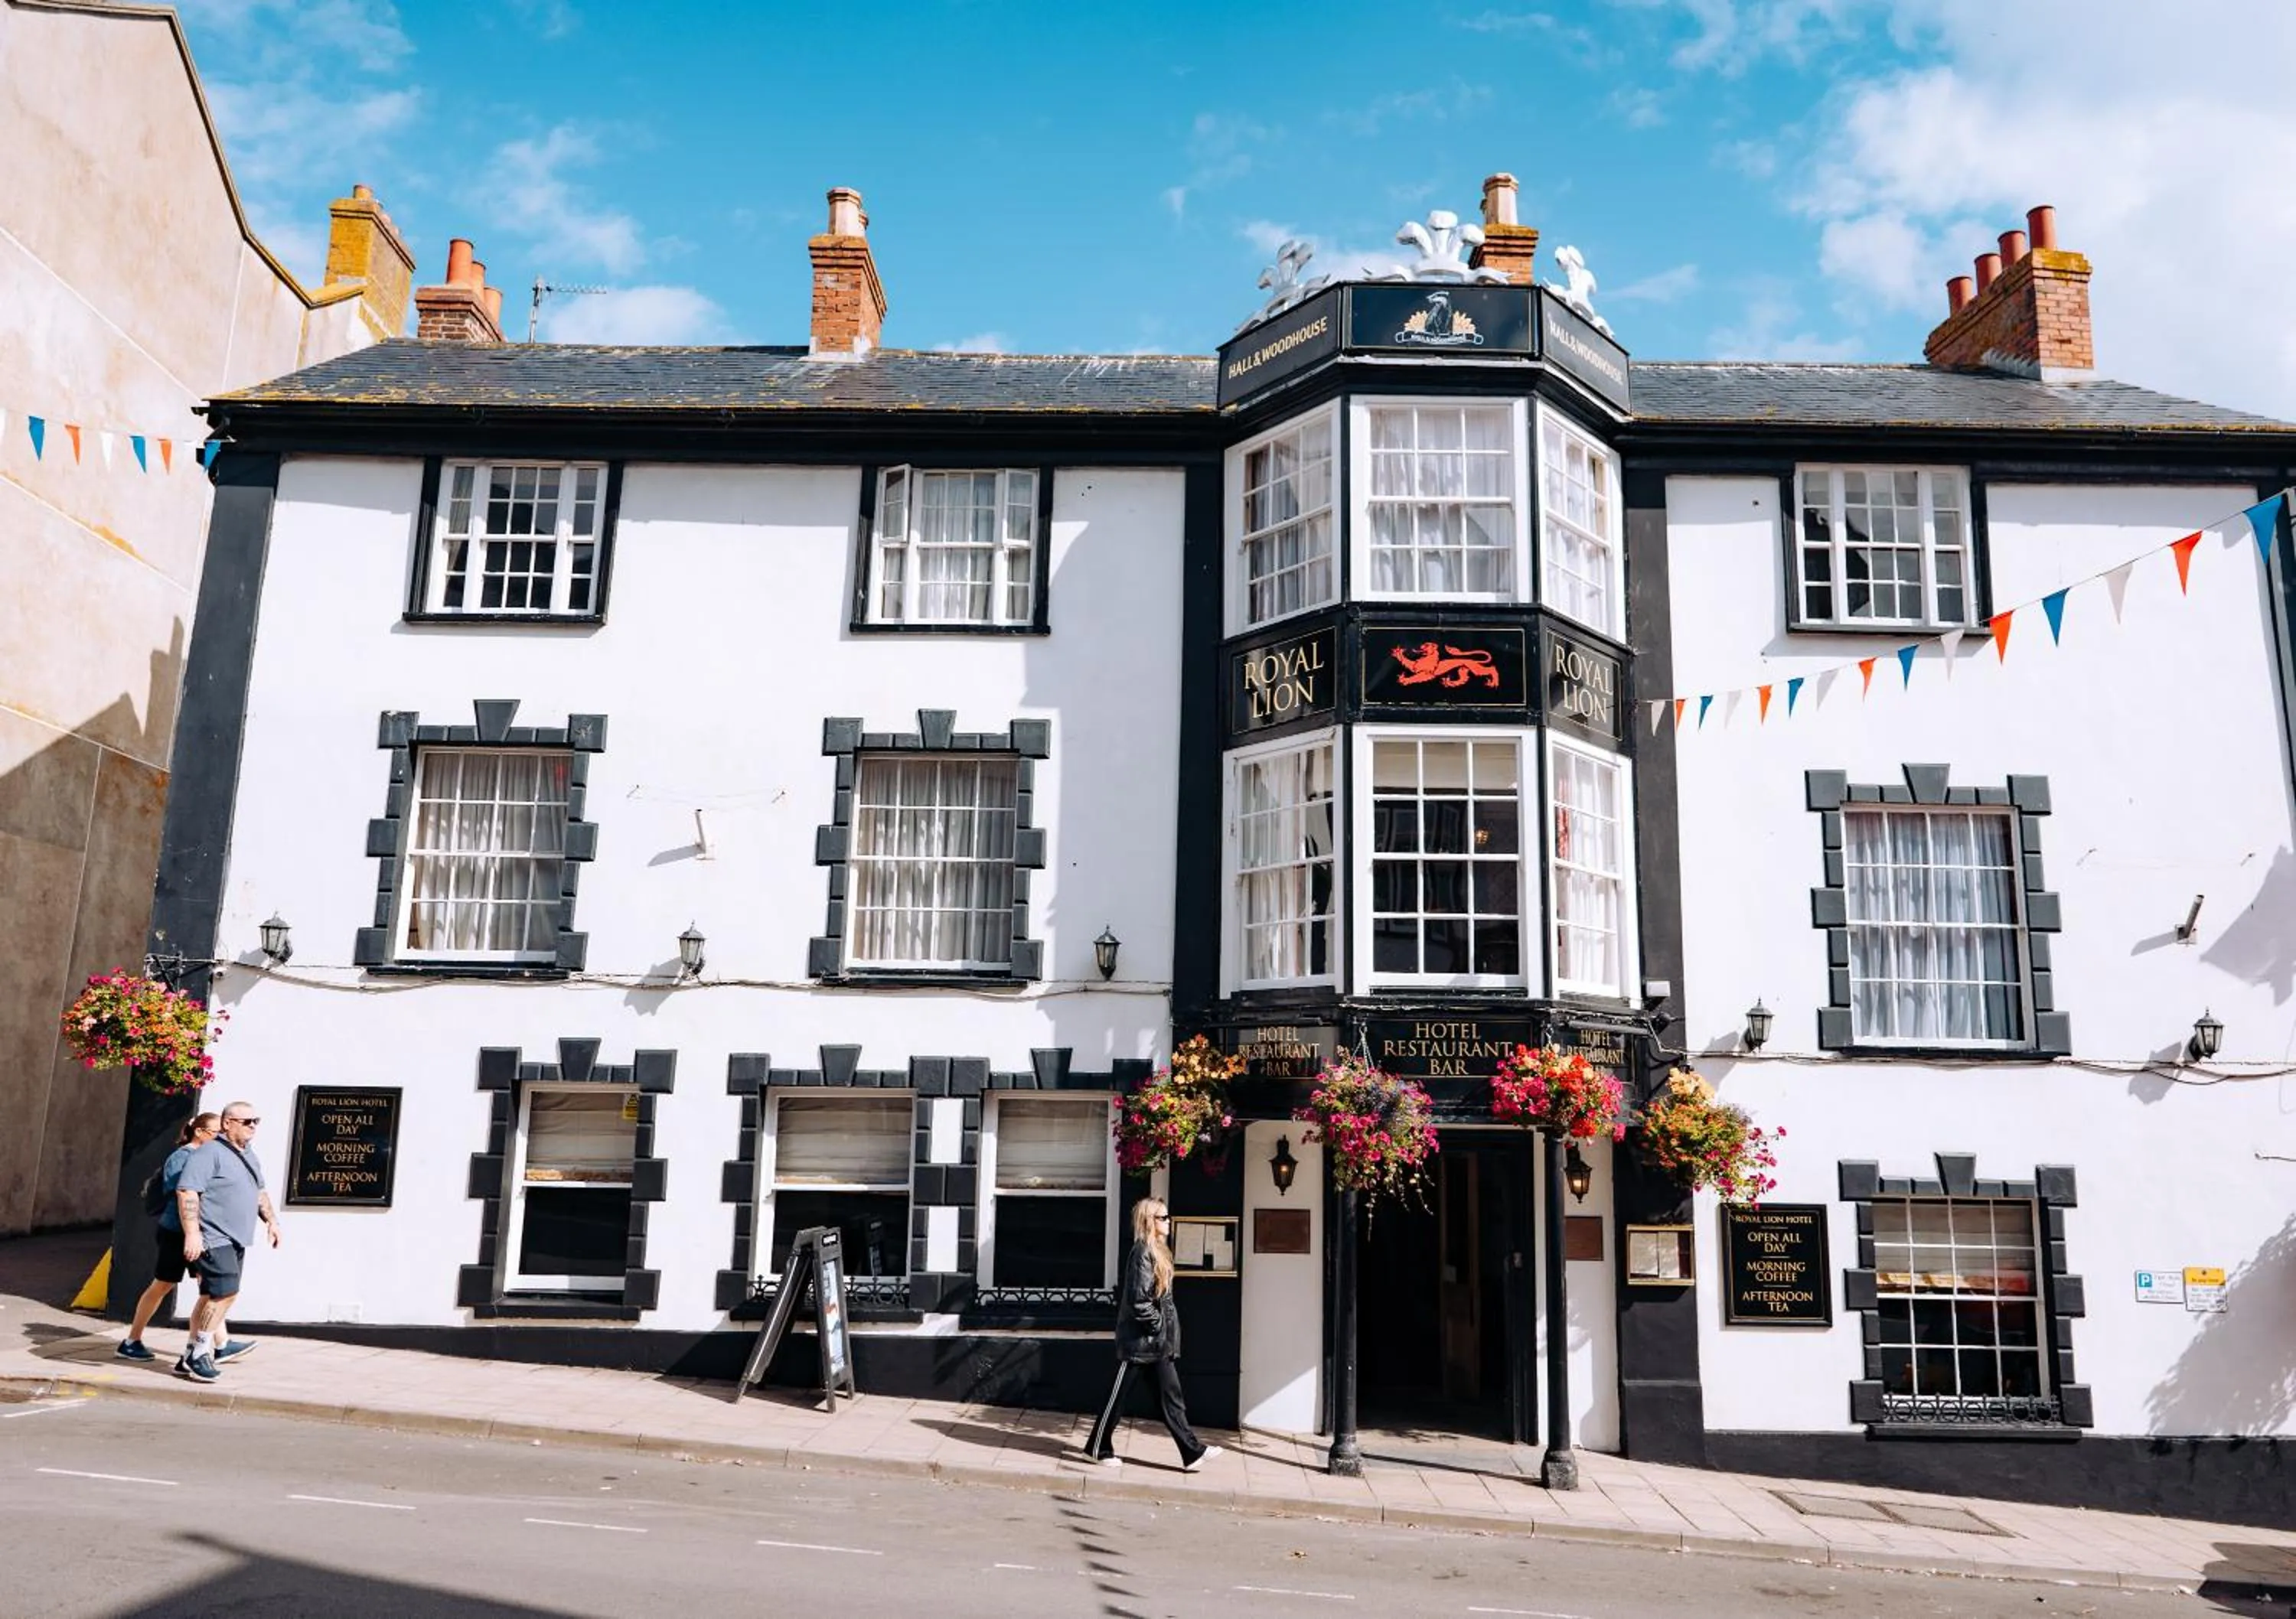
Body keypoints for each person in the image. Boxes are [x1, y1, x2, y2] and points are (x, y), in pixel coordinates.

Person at [1083, 1197, 1222, 1472]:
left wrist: (1164, 1333)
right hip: (1140, 1342)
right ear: (1149, 1221)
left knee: (1172, 1398)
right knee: (1118, 1398)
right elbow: (1139, 1301)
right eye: (1163, 1218)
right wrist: (1157, 1325)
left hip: (1158, 1344)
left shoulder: (1158, 1251)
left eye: (1168, 1217)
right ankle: (1097, 1448)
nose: (1169, 1222)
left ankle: (1192, 1452)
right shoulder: (1142, 1253)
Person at [172, 1102, 280, 1383]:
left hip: (236, 1237)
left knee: (209, 1295)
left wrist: (272, 1221)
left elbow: (259, 1191)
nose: (254, 1126)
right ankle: (200, 1353)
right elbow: (187, 1192)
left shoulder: (248, 1155)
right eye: (247, 1122)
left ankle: (189, 1355)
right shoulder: (210, 1153)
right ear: (228, 1122)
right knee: (226, 1294)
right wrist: (193, 1234)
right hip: (212, 1237)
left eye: (257, 1121)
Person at [115, 1112, 220, 1362]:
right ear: (200, 1132)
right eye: (216, 1133)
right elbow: (182, 1192)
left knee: (212, 1287)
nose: (219, 1138)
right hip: (176, 1232)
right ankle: (132, 1340)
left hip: (198, 1232)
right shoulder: (182, 1156)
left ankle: (221, 1343)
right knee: (163, 1284)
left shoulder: (206, 1157)